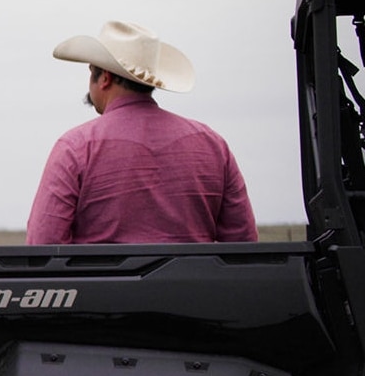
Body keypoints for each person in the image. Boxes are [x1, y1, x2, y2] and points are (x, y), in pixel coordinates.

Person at [26, 20, 258, 245]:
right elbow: (244, 244)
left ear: (104, 77)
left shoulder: (75, 147)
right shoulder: (212, 145)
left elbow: (44, 244)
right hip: (195, 285)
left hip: (103, 285)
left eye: (91, 72)